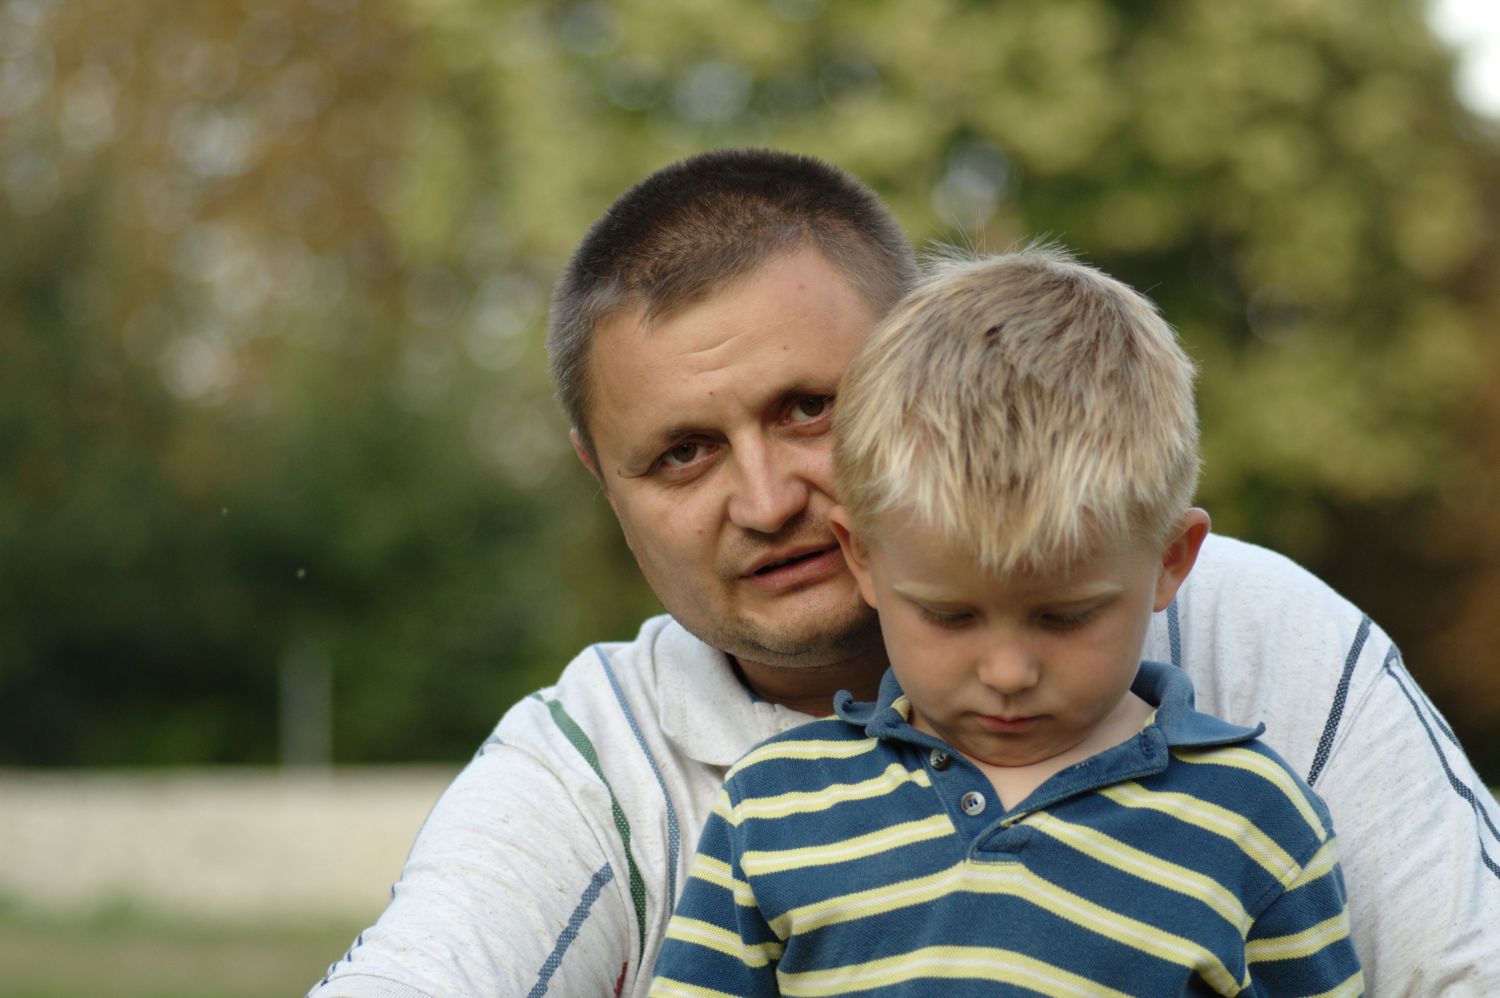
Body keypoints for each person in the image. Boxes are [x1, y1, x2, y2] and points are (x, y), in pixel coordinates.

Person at [308, 149, 1499, 998]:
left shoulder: (1252, 624)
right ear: (601, 480)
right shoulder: (585, 767)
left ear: (924, 364)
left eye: (808, 406)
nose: (767, 500)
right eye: (681, 454)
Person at [649, 245, 1363, 995]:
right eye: (950, 616)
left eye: (1064, 617)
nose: (1008, 673)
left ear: (1170, 560)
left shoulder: (1255, 823)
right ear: (862, 558)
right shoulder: (774, 808)